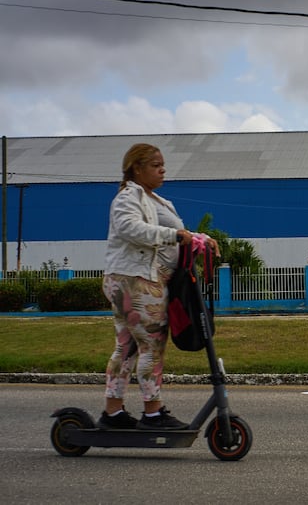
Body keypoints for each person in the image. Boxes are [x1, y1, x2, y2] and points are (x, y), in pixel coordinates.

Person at [97, 143, 219, 430]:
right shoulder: (129, 197)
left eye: (162, 164)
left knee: (126, 347)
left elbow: (177, 234)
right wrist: (174, 236)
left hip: (139, 280)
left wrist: (199, 238)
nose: (162, 169)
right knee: (152, 345)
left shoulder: (157, 200)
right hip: (135, 280)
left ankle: (112, 413)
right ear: (136, 169)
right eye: (155, 165)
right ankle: (152, 413)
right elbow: (130, 229)